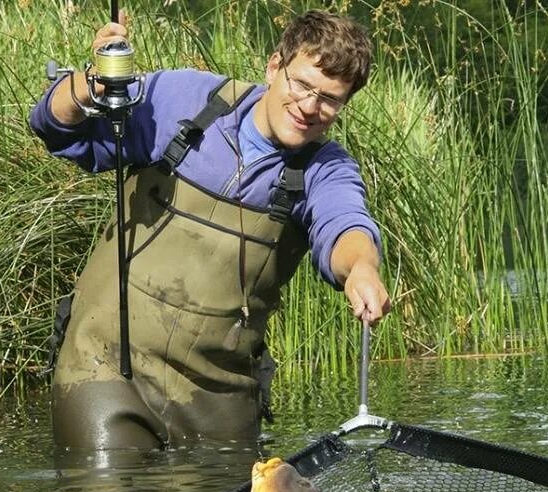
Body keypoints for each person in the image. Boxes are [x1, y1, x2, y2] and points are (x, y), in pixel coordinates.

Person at [29, 9, 391, 450]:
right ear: (275, 66)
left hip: (220, 399)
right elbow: (55, 129)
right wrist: (90, 83)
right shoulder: (185, 99)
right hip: (103, 368)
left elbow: (346, 225)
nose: (310, 108)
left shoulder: (325, 168)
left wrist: (361, 270)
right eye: (302, 85)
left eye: (331, 99)